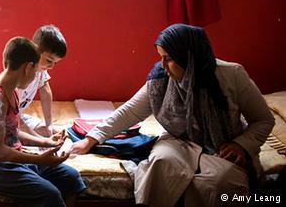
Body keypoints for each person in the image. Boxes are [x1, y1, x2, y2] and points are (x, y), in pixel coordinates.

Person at [69, 24, 275, 207]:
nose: (162, 65)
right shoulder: (160, 80)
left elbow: (263, 119)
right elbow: (130, 111)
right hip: (179, 141)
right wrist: (90, 139)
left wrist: (241, 145)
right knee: (160, 164)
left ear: (188, 57)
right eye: (160, 57)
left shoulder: (232, 75)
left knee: (219, 182)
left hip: (223, 145)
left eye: (168, 58)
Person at [0, 37, 86, 207]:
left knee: (72, 179)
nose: (35, 77)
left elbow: (12, 131)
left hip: (13, 160)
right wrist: (39, 159)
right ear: (28, 67)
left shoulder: (12, 92)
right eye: (36, 72)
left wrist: (45, 142)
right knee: (50, 195)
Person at [18, 24, 67, 137]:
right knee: (27, 138)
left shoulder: (39, 69)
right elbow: (10, 118)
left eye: (55, 62)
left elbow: (45, 90)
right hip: (3, 120)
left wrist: (49, 124)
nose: (52, 66)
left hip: (18, 117)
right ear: (34, 49)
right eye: (49, 60)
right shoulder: (19, 74)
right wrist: (40, 140)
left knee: (57, 132)